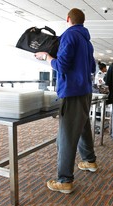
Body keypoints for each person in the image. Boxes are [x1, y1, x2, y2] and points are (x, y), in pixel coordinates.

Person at [35, 8, 97, 194]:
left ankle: (65, 180)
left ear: (68, 19)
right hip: (85, 91)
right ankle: (89, 161)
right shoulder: (87, 41)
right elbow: (92, 67)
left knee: (66, 137)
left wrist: (47, 57)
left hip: (71, 92)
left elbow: (61, 66)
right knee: (84, 127)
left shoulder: (69, 36)